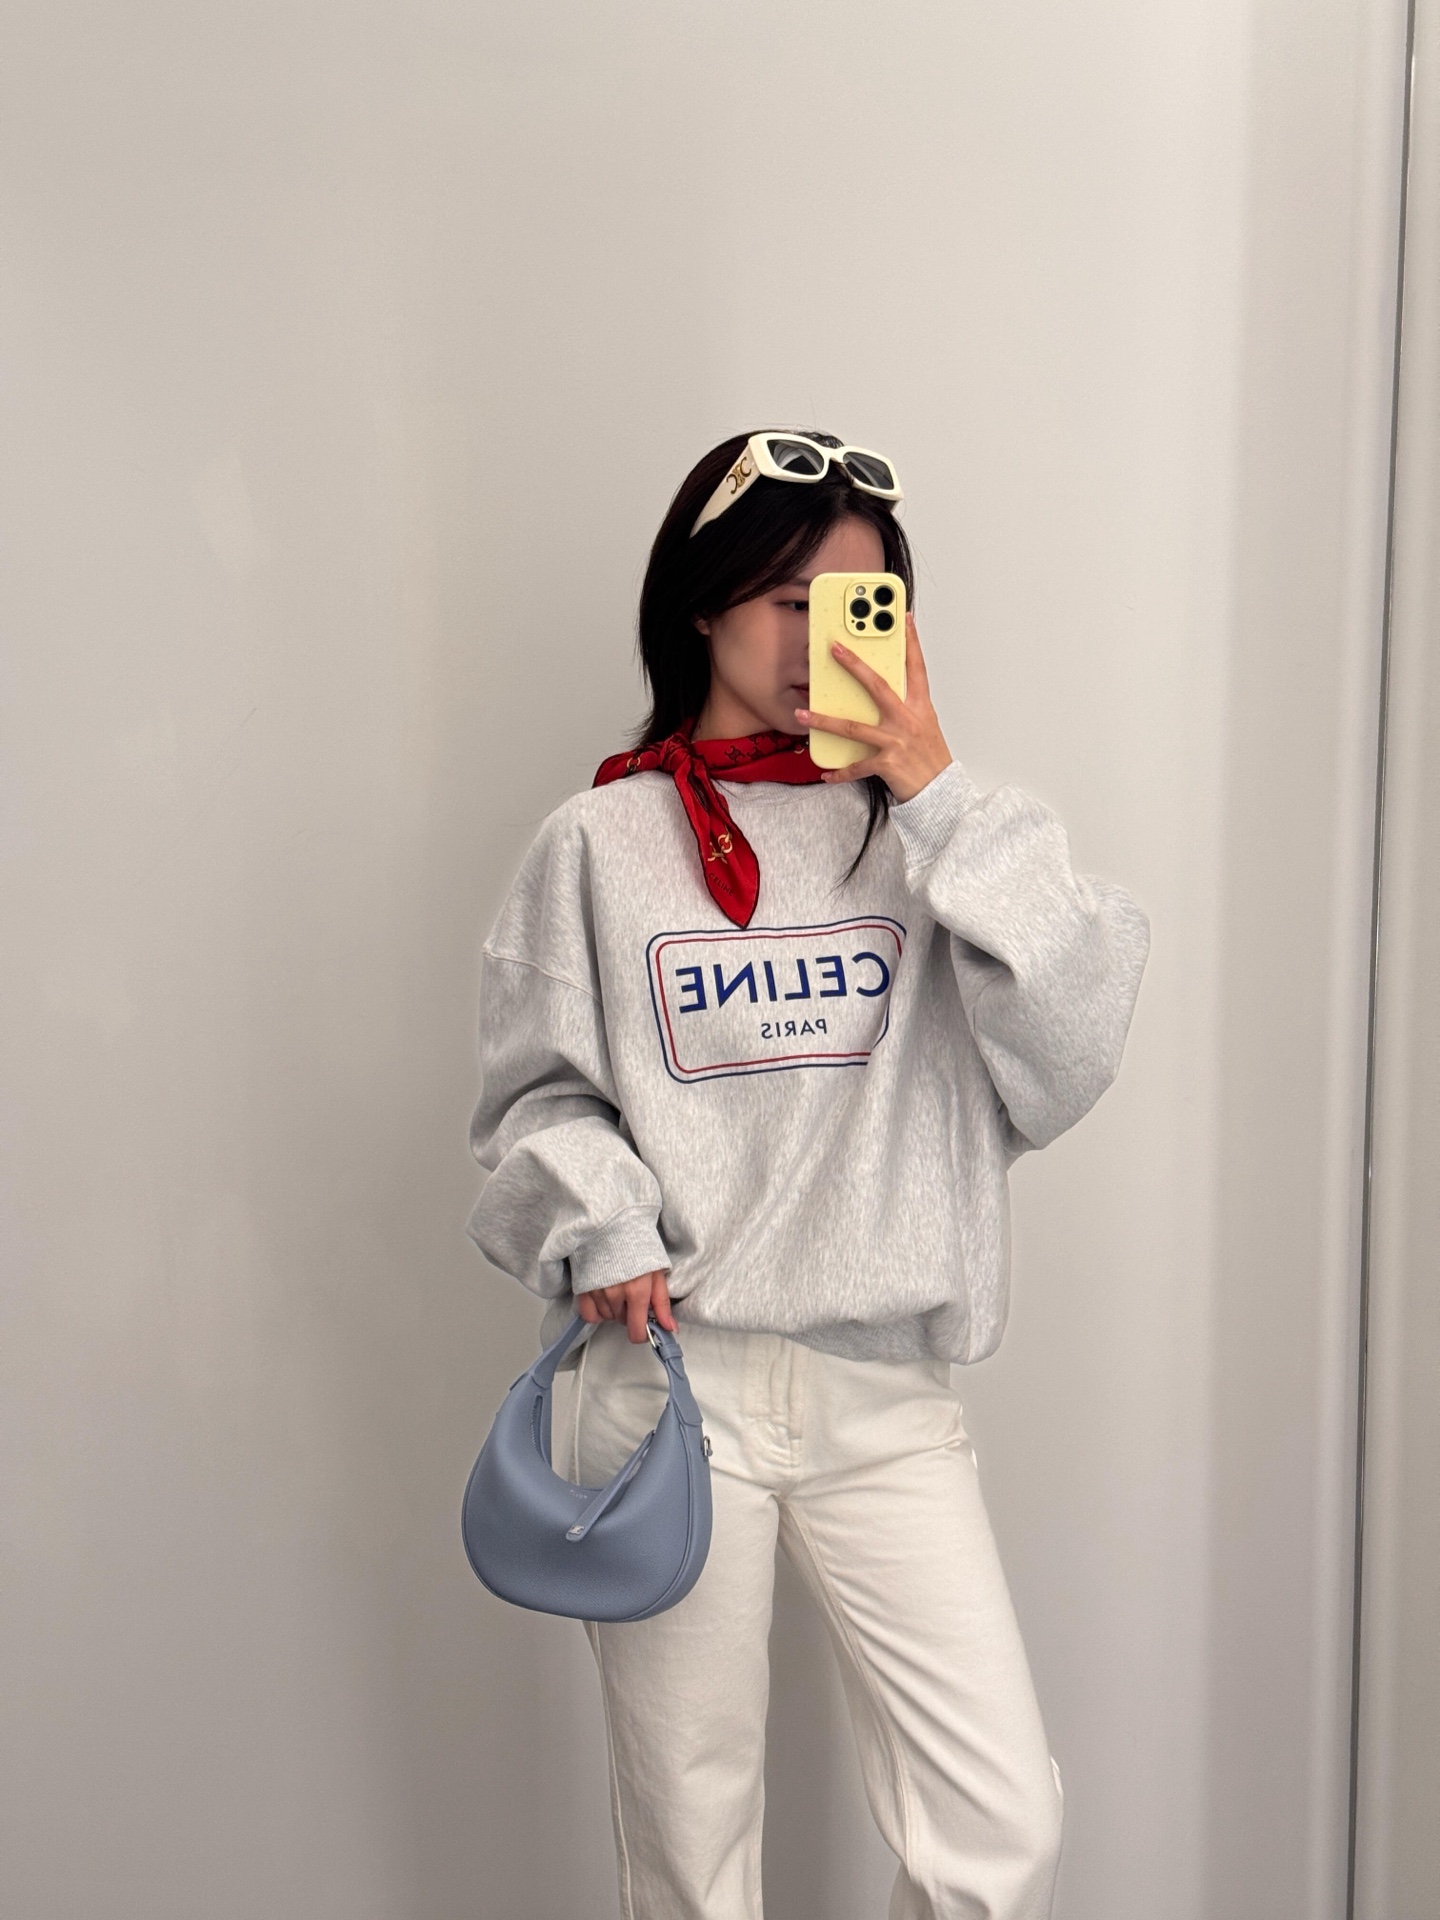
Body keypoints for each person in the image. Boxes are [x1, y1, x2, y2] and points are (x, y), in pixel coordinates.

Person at [465, 429, 1150, 1920]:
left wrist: (936, 787)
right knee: (694, 1847)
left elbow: (1073, 1046)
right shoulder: (599, 844)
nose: (819, 641)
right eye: (788, 599)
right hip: (668, 1388)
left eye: (857, 606)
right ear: (702, 602)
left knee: (1000, 1831)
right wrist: (606, 1223)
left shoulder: (942, 843)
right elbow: (532, 1100)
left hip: (883, 1398)